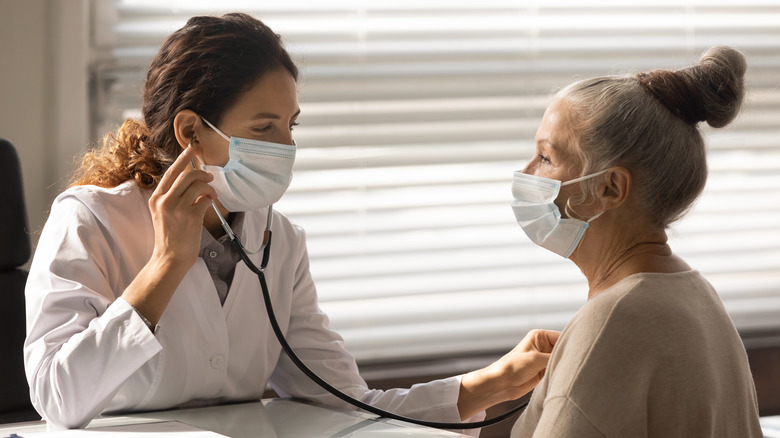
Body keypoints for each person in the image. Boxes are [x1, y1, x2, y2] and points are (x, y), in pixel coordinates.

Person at [23, 13, 559, 430]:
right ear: (191, 131)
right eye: (264, 126)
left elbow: (347, 405)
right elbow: (57, 399)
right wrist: (166, 265)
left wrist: (489, 384)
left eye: (290, 125)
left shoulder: (278, 240)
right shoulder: (90, 221)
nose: (287, 146)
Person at [508, 46, 762, 437]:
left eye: (545, 158)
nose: (526, 173)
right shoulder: (695, 295)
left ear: (610, 187)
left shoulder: (611, 323)